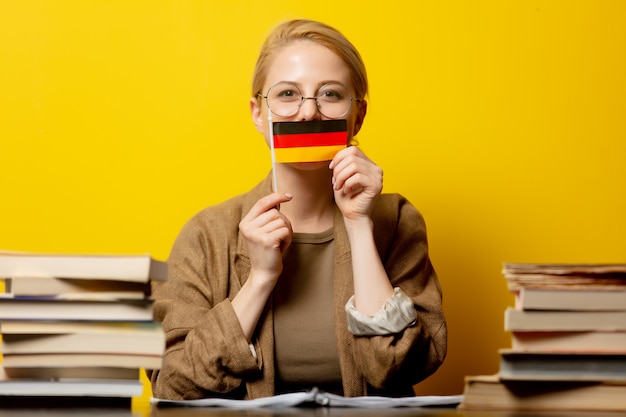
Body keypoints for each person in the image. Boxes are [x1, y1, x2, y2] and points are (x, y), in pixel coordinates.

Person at [149, 18, 447, 400]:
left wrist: (358, 225)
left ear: (358, 115)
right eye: (288, 94)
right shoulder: (206, 234)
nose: (308, 113)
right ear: (259, 113)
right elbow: (174, 386)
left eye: (330, 94)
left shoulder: (398, 221)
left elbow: (398, 366)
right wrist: (259, 278)